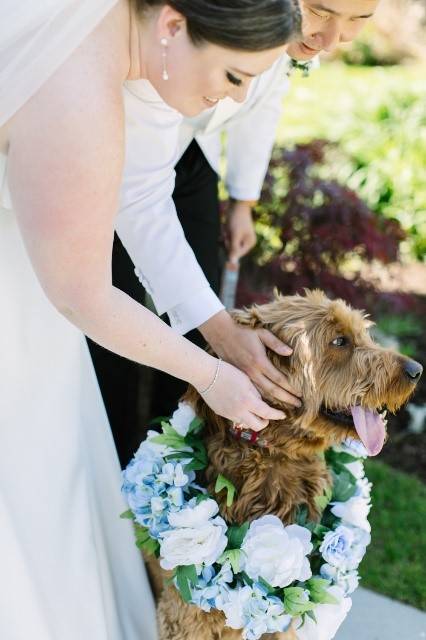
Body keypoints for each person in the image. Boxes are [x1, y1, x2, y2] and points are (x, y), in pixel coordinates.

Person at [0, 0, 302, 638]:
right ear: (172, 25)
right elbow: (82, 293)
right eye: (233, 77)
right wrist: (212, 376)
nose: (231, 102)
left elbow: (139, 192)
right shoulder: (76, 84)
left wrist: (220, 329)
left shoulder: (135, 49)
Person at [88, 0, 379, 467]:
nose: (332, 40)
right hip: (118, 149)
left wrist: (243, 201)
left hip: (188, 156)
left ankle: (176, 442)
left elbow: (263, 104)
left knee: (188, 299)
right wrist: (216, 346)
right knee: (111, 294)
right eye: (322, 12)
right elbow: (89, 289)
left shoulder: (285, 39)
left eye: (359, 22)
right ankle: (116, 441)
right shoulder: (143, 58)